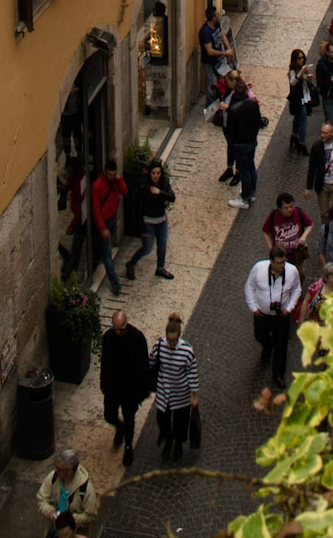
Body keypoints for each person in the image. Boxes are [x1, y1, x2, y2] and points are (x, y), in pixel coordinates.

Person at [247, 251, 302, 409]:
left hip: (281, 316)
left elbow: (297, 289)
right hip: (262, 314)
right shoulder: (258, 269)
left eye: (283, 262)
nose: (282, 265)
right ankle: (266, 345)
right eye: (279, 262)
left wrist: (289, 308)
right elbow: (249, 287)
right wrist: (253, 307)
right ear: (271, 261)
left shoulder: (291, 271)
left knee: (281, 345)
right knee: (259, 335)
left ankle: (278, 373)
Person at [99, 310, 149, 468]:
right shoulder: (108, 338)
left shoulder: (137, 338)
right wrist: (104, 383)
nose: (118, 332)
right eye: (116, 329)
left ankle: (128, 445)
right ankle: (118, 426)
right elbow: (105, 363)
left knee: (130, 418)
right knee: (109, 414)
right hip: (114, 386)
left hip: (131, 388)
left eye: (121, 329)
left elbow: (143, 365)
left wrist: (143, 388)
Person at [150, 313, 199, 460]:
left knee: (180, 423)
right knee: (162, 420)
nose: (171, 344)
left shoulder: (187, 351)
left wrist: (194, 396)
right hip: (164, 393)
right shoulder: (158, 346)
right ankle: (168, 438)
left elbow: (192, 373)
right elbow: (151, 363)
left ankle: (177, 442)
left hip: (181, 394)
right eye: (169, 341)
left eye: (174, 341)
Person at [124, 160, 175, 280]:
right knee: (147, 248)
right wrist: (141, 228)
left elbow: (172, 197)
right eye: (153, 173)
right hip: (148, 222)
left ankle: (160, 268)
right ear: (149, 174)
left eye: (158, 173)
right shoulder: (143, 187)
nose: (156, 176)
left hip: (161, 219)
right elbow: (138, 209)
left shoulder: (163, 183)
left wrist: (160, 192)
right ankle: (131, 263)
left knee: (162, 245)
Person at [86, 158, 127, 296]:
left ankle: (100, 255)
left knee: (106, 251)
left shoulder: (115, 181)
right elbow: (96, 209)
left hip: (112, 219)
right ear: (105, 172)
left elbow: (125, 192)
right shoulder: (97, 186)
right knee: (108, 255)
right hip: (103, 223)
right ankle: (115, 283)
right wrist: (102, 228)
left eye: (113, 175)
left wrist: (119, 180)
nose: (111, 177)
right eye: (109, 175)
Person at [36, 450, 98, 529]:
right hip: (52, 529)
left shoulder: (87, 490)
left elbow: (90, 516)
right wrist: (50, 512)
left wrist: (70, 520)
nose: (55, 471)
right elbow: (42, 499)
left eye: (59, 469)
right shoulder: (53, 477)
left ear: (69, 471)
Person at [225, 80, 263, 209]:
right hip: (252, 140)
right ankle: (252, 192)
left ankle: (244, 198)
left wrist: (232, 142)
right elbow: (258, 121)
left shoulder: (234, 110)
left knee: (244, 170)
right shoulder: (253, 103)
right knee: (251, 166)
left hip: (240, 143)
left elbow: (230, 129)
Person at [305, 120, 333, 221]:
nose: (322, 135)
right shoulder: (316, 146)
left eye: (325, 133)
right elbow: (312, 167)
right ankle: (326, 232)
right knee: (324, 213)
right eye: (321, 132)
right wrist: (308, 187)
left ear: (332, 133)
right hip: (322, 184)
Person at [262, 191, 315, 267]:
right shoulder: (273, 216)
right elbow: (266, 232)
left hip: (296, 257)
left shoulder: (299, 212)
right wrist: (271, 248)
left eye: (291, 206)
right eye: (286, 208)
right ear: (280, 209)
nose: (290, 209)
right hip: (279, 257)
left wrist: (304, 236)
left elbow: (310, 224)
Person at [199, 5, 231, 107]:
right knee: (211, 86)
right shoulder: (205, 32)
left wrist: (228, 49)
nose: (219, 16)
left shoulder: (216, 25)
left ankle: (221, 101)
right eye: (217, 15)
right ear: (213, 18)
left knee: (223, 81)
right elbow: (210, 51)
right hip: (209, 63)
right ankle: (210, 106)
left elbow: (222, 36)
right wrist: (225, 53)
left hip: (219, 60)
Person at [287, 47, 316, 155]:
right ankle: (302, 142)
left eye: (303, 58)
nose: (301, 60)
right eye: (299, 58)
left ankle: (294, 135)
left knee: (299, 118)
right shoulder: (292, 71)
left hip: (305, 96)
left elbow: (305, 81)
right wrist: (301, 73)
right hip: (297, 99)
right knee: (303, 119)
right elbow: (293, 83)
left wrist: (308, 77)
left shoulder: (304, 68)